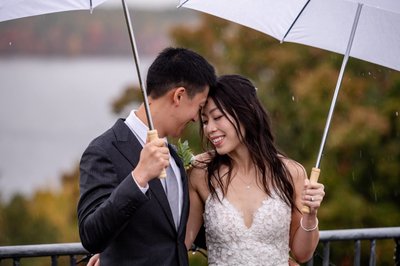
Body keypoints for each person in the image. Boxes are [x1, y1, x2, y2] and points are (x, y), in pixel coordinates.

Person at [77, 47, 217, 266]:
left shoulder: (174, 158)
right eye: (199, 108)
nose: (195, 119)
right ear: (179, 95)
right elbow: (91, 234)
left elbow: (173, 235)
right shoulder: (104, 150)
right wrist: (139, 177)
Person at [185, 74, 325, 266]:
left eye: (217, 117)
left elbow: (302, 254)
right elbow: (181, 243)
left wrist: (311, 214)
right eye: (205, 121)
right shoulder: (200, 172)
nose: (210, 129)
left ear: (246, 112)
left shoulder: (291, 172)